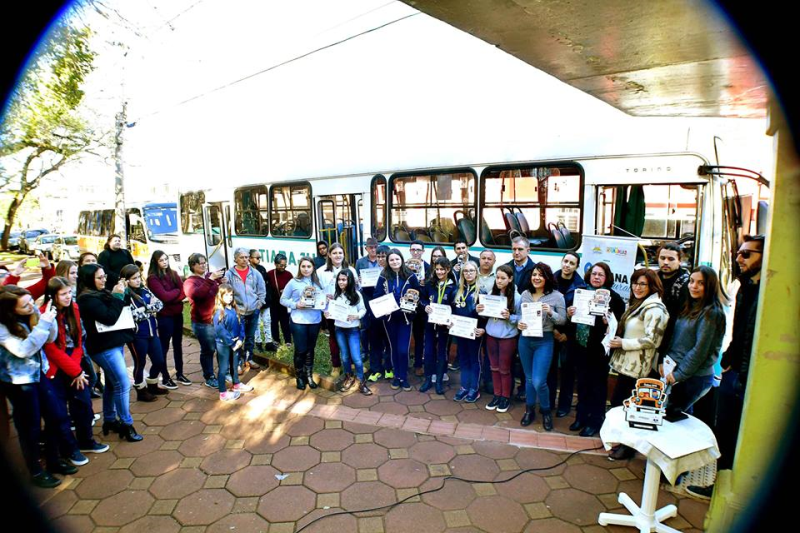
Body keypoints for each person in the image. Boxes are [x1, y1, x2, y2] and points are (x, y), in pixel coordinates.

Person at [687, 235, 765, 500]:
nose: (738, 259)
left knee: (739, 433)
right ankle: (719, 487)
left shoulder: (768, 291)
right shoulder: (745, 287)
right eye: (739, 253)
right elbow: (741, 331)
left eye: (747, 254)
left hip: (748, 374)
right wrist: (730, 360)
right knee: (726, 431)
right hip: (735, 370)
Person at [0, 285, 78, 488]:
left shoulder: (33, 313)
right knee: (30, 426)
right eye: (25, 306)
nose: (31, 307)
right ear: (11, 310)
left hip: (38, 373)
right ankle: (35, 470)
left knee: (56, 415)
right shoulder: (2, 327)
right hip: (19, 382)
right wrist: (43, 324)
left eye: (31, 302)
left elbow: (49, 338)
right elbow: (23, 350)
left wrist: (48, 321)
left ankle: (53, 459)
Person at [41, 277, 109, 455]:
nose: (68, 297)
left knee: (83, 403)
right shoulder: (45, 314)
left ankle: (86, 441)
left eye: (70, 292)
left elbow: (79, 340)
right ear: (53, 296)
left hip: (74, 363)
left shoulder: (75, 308)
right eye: (63, 294)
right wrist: (75, 371)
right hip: (55, 368)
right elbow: (51, 349)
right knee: (59, 411)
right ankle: (69, 449)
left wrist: (76, 369)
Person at [76, 264, 142, 443]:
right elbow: (109, 317)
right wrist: (118, 295)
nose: (104, 279)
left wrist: (123, 293)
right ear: (88, 279)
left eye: (104, 276)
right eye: (99, 277)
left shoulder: (100, 293)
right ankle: (126, 424)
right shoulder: (86, 299)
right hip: (104, 347)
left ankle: (110, 420)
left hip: (115, 342)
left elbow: (120, 308)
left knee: (113, 384)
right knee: (122, 383)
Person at [606, 268, 668, 460]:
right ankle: (622, 443)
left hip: (640, 369)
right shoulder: (639, 304)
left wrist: (622, 343)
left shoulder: (656, 309)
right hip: (628, 366)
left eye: (643, 284)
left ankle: (628, 447)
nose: (637, 287)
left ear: (652, 286)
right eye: (635, 283)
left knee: (630, 408)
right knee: (620, 403)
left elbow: (653, 340)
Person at [660, 266, 727, 418]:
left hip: (694, 378)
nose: (693, 286)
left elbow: (700, 350)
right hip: (677, 373)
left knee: (675, 421)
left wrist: (679, 374)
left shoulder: (711, 313)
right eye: (691, 281)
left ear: (709, 286)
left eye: (700, 283)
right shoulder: (690, 306)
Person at [568, 262, 624, 437]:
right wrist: (571, 312)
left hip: (599, 351)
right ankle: (581, 417)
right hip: (581, 347)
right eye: (594, 274)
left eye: (600, 274)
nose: (596, 277)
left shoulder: (614, 298)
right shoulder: (580, 293)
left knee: (597, 387)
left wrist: (609, 320)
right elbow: (572, 320)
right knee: (582, 385)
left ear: (606, 277)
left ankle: (595, 421)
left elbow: (619, 325)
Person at [517, 263, 567, 431]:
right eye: (534, 275)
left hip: (544, 340)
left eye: (540, 275)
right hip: (525, 340)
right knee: (529, 378)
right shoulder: (525, 294)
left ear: (547, 277)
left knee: (539, 381)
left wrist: (550, 313)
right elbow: (518, 316)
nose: (536, 278)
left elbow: (563, 320)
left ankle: (546, 411)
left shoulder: (557, 296)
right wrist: (519, 323)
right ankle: (529, 409)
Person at [121, 264, 173, 401]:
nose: (138, 280)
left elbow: (159, 305)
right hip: (137, 336)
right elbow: (131, 316)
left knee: (159, 360)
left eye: (138, 277)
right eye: (133, 278)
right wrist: (148, 309)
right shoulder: (124, 295)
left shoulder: (144, 290)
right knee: (140, 362)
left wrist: (145, 309)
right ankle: (141, 390)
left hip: (152, 332)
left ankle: (152, 383)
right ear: (125, 280)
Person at [373, 249, 421, 391]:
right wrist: (383, 309)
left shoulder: (410, 276)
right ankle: (397, 376)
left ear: (402, 259)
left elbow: (418, 293)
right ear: (388, 261)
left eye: (397, 259)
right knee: (393, 348)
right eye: (392, 260)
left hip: (405, 318)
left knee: (403, 349)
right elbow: (377, 295)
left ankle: (404, 376)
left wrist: (414, 306)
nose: (395, 262)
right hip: (389, 318)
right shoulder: (383, 276)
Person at [549, 252, 586, 418]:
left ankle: (564, 405)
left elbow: (582, 316)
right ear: (561, 262)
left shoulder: (582, 286)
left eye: (572, 263)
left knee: (568, 373)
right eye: (565, 261)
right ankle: (548, 402)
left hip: (568, 336)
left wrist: (567, 335)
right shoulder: (550, 280)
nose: (567, 265)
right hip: (551, 331)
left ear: (576, 266)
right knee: (549, 370)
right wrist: (554, 330)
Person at [280, 257, 325, 390]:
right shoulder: (293, 282)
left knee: (310, 349)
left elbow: (323, 298)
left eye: (309, 266)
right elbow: (283, 299)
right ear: (300, 267)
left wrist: (325, 300)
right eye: (303, 266)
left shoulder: (318, 282)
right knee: (300, 350)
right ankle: (300, 377)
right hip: (298, 321)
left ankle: (309, 376)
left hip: (315, 320)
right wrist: (295, 304)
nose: (306, 269)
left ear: (313, 268)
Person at [481, 265, 520, 413]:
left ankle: (505, 397)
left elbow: (522, 318)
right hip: (491, 335)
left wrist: (510, 317)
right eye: (497, 277)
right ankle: (497, 395)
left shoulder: (517, 297)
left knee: (504, 369)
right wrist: (481, 310)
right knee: (494, 367)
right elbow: (487, 315)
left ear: (510, 279)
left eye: (503, 278)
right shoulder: (492, 293)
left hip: (507, 337)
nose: (499, 281)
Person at [325, 269, 371, 395]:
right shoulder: (335, 294)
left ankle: (361, 380)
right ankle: (349, 377)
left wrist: (356, 316)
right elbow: (330, 310)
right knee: (345, 356)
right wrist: (327, 313)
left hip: (352, 330)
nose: (341, 282)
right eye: (339, 279)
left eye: (344, 279)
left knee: (356, 357)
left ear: (349, 280)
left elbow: (363, 309)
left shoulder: (356, 294)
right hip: (339, 329)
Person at [146, 250, 188, 385]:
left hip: (177, 314)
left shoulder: (174, 273)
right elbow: (164, 296)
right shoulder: (153, 278)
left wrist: (173, 295)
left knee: (178, 345)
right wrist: (175, 293)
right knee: (164, 346)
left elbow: (183, 293)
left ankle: (180, 373)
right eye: (161, 260)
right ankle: (165, 377)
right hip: (165, 316)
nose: (165, 262)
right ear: (156, 262)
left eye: (166, 259)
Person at [184, 253, 225, 389]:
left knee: (221, 347)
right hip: (202, 322)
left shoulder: (209, 277)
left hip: (217, 319)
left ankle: (224, 373)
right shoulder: (190, 282)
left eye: (204, 262)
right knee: (208, 350)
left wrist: (220, 282)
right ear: (193, 266)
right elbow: (198, 295)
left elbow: (215, 291)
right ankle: (209, 377)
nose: (203, 265)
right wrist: (211, 280)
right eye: (200, 263)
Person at [317, 243, 358, 377]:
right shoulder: (321, 271)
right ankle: (336, 365)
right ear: (329, 255)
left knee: (350, 335)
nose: (338, 255)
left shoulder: (351, 270)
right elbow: (318, 292)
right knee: (334, 337)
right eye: (334, 253)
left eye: (340, 253)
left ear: (344, 254)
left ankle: (351, 363)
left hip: (348, 310)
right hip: (331, 311)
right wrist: (324, 299)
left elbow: (357, 290)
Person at [224, 247, 266, 374]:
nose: (245, 260)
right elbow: (226, 291)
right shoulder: (229, 274)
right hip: (238, 312)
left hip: (253, 310)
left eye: (246, 257)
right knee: (237, 338)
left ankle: (249, 358)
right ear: (235, 259)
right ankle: (238, 363)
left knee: (250, 337)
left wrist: (259, 305)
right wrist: (232, 308)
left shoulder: (255, 273)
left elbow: (262, 290)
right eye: (241, 257)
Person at [450, 261, 486, 403]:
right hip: (460, 331)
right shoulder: (456, 291)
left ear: (476, 273)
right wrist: (450, 322)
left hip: (474, 333)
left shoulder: (481, 292)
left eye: (471, 271)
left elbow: (485, 316)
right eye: (466, 271)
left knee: (474, 360)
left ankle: (474, 389)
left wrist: (483, 329)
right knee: (463, 359)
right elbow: (452, 311)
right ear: (462, 273)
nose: (468, 273)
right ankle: (464, 386)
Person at [419, 257, 456, 394]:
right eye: (437, 269)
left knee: (442, 353)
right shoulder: (430, 284)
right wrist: (425, 306)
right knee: (428, 351)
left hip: (443, 327)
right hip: (430, 324)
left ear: (448, 270)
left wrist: (449, 319)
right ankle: (428, 379)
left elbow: (454, 306)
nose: (439, 272)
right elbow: (421, 299)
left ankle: (439, 381)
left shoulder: (453, 287)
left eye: (442, 269)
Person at [213, 285, 254, 401]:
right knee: (223, 368)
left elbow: (241, 325)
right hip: (224, 345)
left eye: (231, 295)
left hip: (236, 343)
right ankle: (223, 393)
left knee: (234, 365)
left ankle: (236, 384)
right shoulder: (219, 313)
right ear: (220, 296)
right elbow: (221, 331)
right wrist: (232, 343)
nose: (229, 298)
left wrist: (241, 338)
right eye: (226, 295)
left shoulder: (235, 309)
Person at [656, 243, 690, 357]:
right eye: (662, 258)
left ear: (679, 261)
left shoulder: (686, 283)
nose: (665, 262)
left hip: (672, 343)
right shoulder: (653, 279)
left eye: (671, 259)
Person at [366, 245, 394, 382]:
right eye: (379, 256)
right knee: (375, 342)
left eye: (384, 256)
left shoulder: (394, 272)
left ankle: (389, 367)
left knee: (389, 341)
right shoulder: (369, 272)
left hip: (389, 313)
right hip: (374, 312)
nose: (381, 259)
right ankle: (376, 369)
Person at [249, 249, 277, 352]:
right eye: (257, 258)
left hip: (265, 300)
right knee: (256, 323)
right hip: (254, 302)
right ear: (250, 259)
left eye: (259, 257)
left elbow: (267, 285)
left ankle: (269, 342)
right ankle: (258, 342)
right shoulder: (248, 271)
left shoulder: (262, 269)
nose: (259, 259)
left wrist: (267, 299)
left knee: (267, 321)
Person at [408, 240, 429, 377]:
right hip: (406, 307)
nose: (416, 252)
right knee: (404, 336)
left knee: (420, 336)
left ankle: (418, 365)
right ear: (410, 251)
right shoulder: (404, 267)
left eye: (418, 250)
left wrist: (422, 285)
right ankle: (403, 362)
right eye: (413, 249)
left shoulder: (428, 267)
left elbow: (430, 288)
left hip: (421, 308)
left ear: (423, 251)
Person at [266, 254, 293, 348]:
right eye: (281, 265)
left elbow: (293, 288)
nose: (283, 267)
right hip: (273, 302)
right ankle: (276, 340)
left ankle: (288, 340)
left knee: (285, 322)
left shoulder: (288, 274)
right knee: (274, 322)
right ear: (275, 264)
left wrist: (285, 291)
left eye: (285, 265)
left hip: (284, 303)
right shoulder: (269, 274)